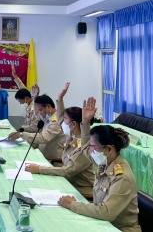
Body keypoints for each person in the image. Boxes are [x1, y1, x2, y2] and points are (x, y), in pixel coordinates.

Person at [57, 97, 141, 232]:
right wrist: (85, 122)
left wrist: (73, 204)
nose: (90, 151)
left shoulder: (122, 176)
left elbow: (105, 212)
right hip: (101, 224)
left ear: (109, 149)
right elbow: (85, 146)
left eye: (93, 147)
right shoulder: (105, 162)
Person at [25, 82, 94, 196]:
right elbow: (61, 115)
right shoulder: (71, 137)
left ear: (73, 124)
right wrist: (60, 98)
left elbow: (67, 171)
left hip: (80, 190)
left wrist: (40, 169)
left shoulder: (84, 146)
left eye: (65, 119)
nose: (61, 121)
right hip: (67, 182)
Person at [8, 94, 66, 162]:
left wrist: (21, 134)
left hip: (53, 161)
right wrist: (35, 98)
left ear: (48, 106)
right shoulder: (48, 117)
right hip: (43, 156)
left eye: (41, 110)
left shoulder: (56, 121)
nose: (40, 113)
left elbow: (43, 138)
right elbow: (37, 115)